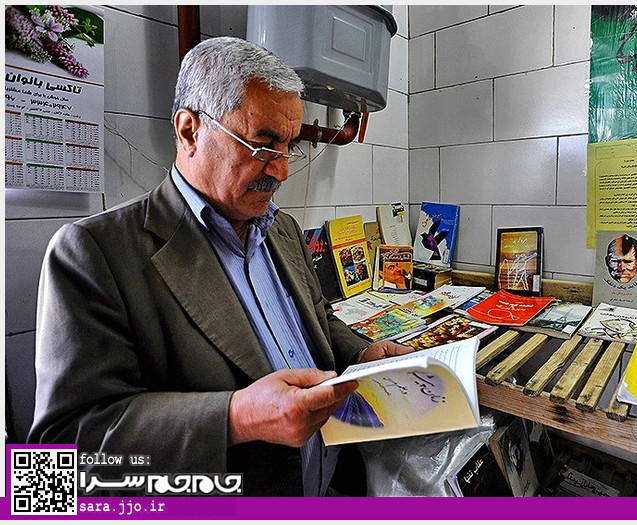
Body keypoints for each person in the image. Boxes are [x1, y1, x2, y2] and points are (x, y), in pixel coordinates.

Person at [28, 37, 411, 497]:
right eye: (263, 145)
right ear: (189, 131)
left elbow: (319, 319)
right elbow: (64, 450)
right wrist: (236, 418)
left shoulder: (282, 228)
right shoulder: (94, 252)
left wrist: (360, 356)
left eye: (289, 146)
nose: (282, 171)